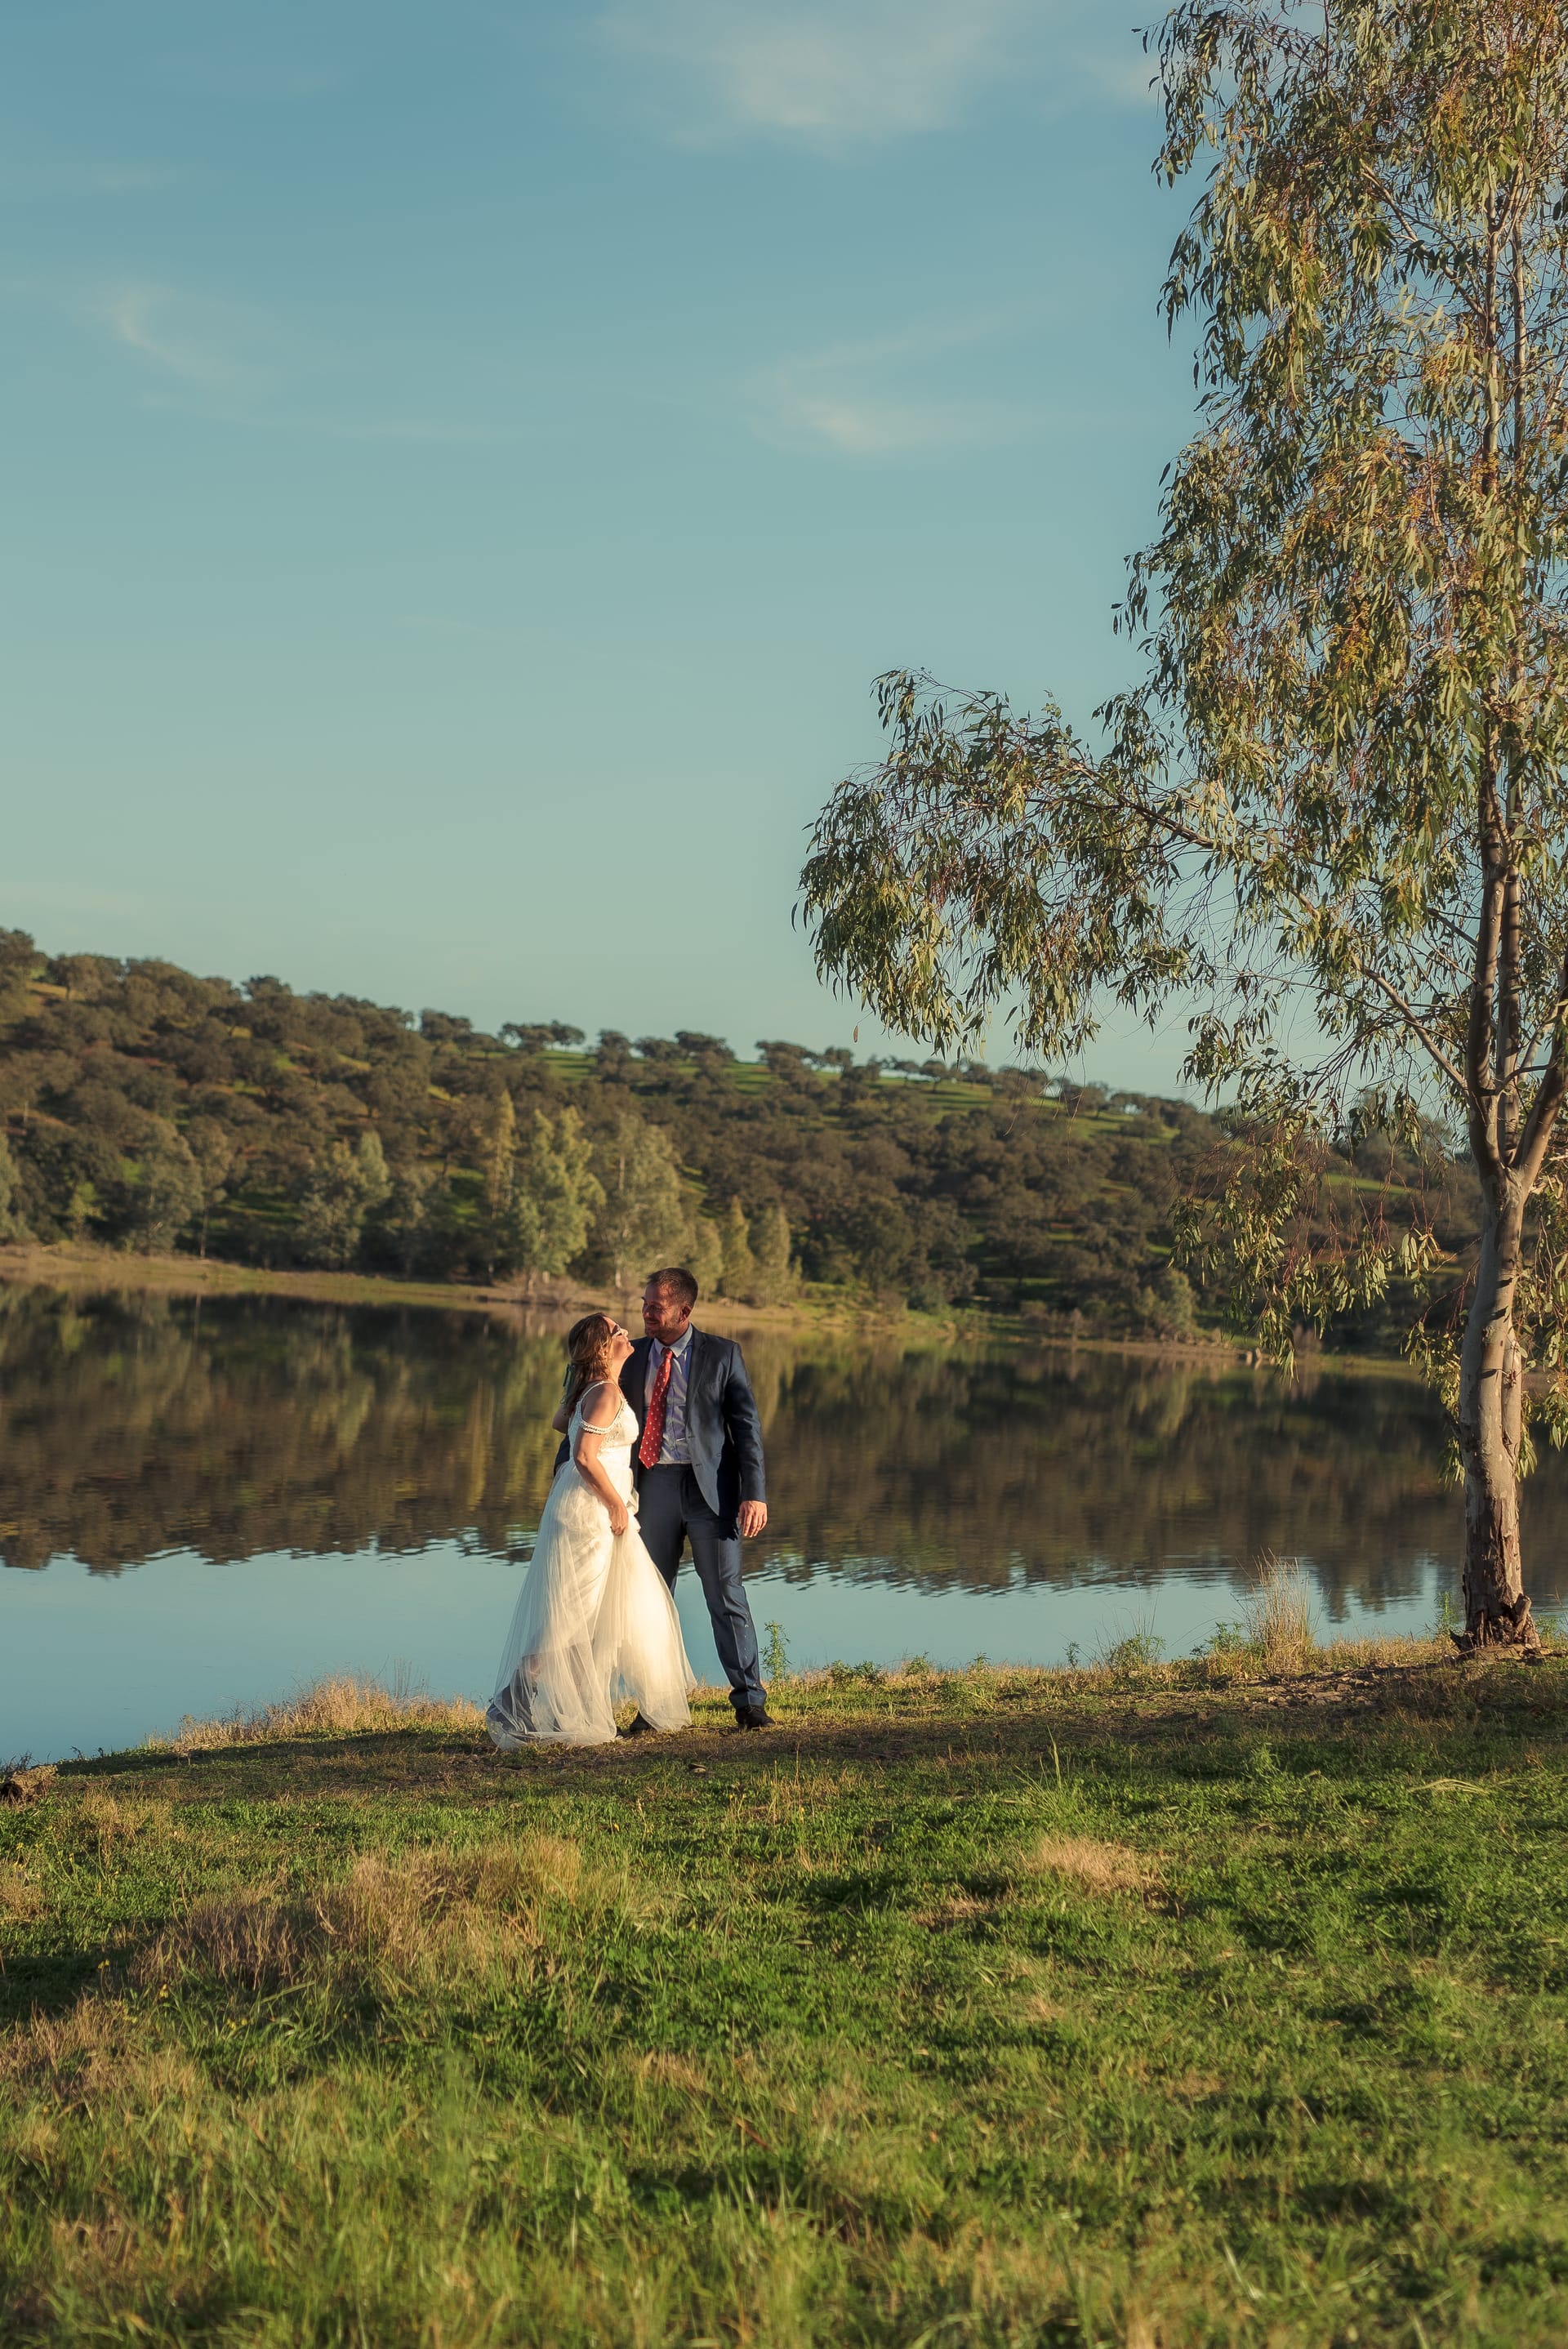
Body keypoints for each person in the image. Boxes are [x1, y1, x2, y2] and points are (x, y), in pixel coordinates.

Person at [486, 1313, 694, 1746]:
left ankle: (575, 1711)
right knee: (570, 1620)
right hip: (591, 1516)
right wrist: (617, 1502)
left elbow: (562, 1423)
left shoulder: (595, 1391)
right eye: (617, 1331)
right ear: (604, 1348)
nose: (625, 1333)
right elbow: (583, 1455)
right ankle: (511, 1703)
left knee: (588, 1619)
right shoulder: (603, 1393)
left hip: (589, 1511)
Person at [617, 1265, 773, 1731]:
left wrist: (755, 1495)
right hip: (652, 1488)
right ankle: (652, 1708)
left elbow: (747, 1429)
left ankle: (749, 1704)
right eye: (645, 1303)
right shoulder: (630, 1355)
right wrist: (567, 1470)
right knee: (649, 1598)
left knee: (725, 1594)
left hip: (713, 1494)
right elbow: (595, 1411)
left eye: (656, 1306)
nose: (646, 1312)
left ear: (684, 1311)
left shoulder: (724, 1355)